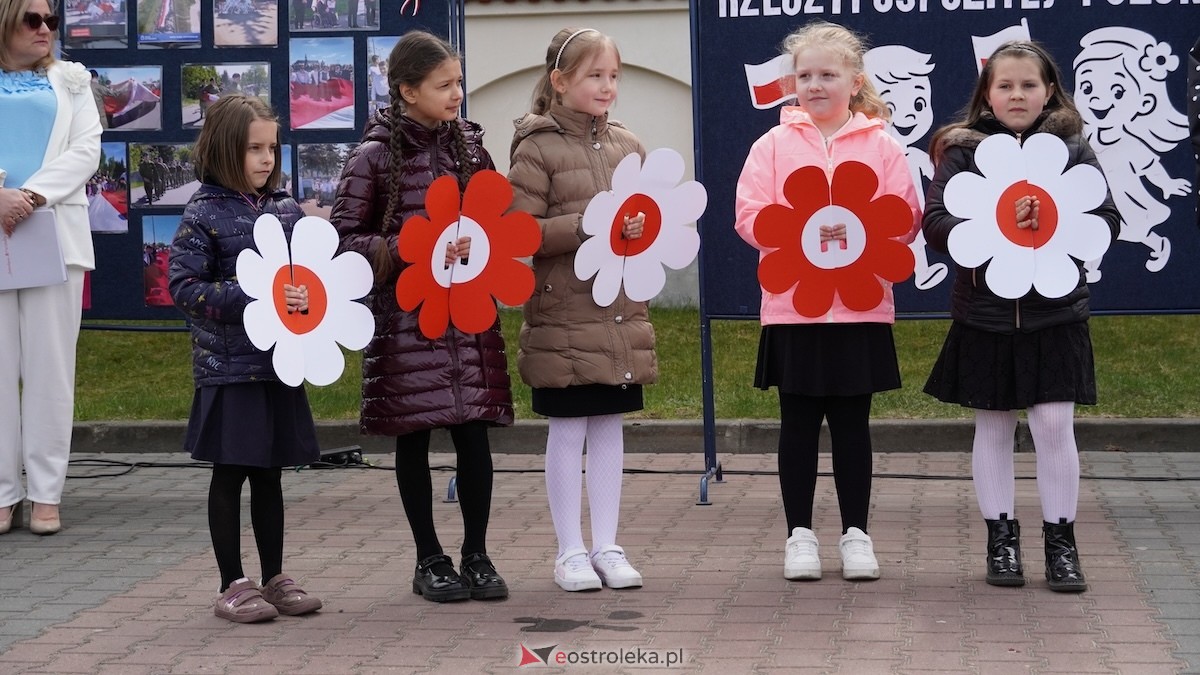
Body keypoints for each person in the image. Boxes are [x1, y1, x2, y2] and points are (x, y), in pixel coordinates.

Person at [922, 41, 1120, 592]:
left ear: (1049, 90)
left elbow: (1105, 218)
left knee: (1055, 425)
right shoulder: (963, 151)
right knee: (994, 423)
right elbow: (934, 225)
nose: (1016, 95)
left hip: (1055, 315)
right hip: (985, 316)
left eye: (1028, 85)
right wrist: (992, 219)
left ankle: (1062, 544)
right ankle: (1001, 542)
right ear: (987, 93)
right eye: (1004, 85)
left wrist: (1050, 223)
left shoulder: (1071, 149)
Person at [734, 20, 920, 582]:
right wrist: (800, 239)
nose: (814, 84)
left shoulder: (884, 146)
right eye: (805, 75)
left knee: (851, 424)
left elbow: (904, 217)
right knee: (796, 423)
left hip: (860, 305)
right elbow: (749, 215)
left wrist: (855, 241)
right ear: (793, 83)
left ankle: (856, 535)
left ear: (854, 81)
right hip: (796, 305)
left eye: (827, 74)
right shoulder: (771, 144)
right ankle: (799, 536)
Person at [331, 30, 512, 603]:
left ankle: (477, 554)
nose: (457, 94)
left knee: (473, 436)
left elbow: (494, 216)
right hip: (408, 320)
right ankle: (428, 557)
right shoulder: (374, 156)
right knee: (414, 438)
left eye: (459, 82)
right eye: (444, 85)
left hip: (469, 316)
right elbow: (343, 239)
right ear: (408, 90)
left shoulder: (470, 148)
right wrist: (406, 250)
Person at [507, 27, 654, 593]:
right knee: (568, 428)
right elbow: (520, 232)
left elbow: (640, 221)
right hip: (563, 314)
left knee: (610, 426)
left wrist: (637, 230)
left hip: (617, 311)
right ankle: (569, 550)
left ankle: (608, 546)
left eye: (613, 75)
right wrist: (591, 225)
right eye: (595, 75)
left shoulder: (628, 146)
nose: (607, 85)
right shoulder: (536, 147)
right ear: (560, 81)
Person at [167, 94, 324, 622]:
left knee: (272, 473)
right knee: (231, 472)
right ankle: (232, 582)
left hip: (277, 365)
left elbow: (296, 280)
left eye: (271, 148)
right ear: (223, 149)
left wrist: (302, 298)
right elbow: (185, 287)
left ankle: (275, 577)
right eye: (254, 148)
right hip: (229, 369)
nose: (265, 158)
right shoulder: (202, 212)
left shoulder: (283, 208)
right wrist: (252, 299)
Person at [0, 0, 102, 536]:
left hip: (55, 237)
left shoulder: (72, 81)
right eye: (32, 20)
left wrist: (31, 196)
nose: (45, 30)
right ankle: (1, 493)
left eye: (51, 21)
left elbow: (87, 150)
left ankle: (45, 492)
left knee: (49, 370)